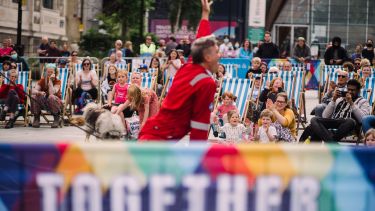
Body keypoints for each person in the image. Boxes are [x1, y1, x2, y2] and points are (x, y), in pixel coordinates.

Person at [139, 0, 218, 141]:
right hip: (159, 141)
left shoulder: (189, 66)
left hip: (152, 132)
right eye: (216, 52)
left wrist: (205, 14)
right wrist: (196, 158)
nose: (220, 55)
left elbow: (201, 39)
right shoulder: (207, 82)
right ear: (206, 56)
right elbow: (200, 125)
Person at [300, 79, 371, 143]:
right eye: (348, 89)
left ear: (358, 91)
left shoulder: (363, 102)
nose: (350, 92)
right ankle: (332, 143)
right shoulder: (340, 99)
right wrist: (333, 100)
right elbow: (325, 116)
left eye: (352, 90)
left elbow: (362, 119)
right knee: (314, 120)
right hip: (334, 121)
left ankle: (326, 143)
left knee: (350, 121)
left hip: (347, 125)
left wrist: (352, 103)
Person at [31, 63, 63, 128]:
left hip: (56, 104)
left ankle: (56, 118)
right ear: (46, 72)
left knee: (51, 97)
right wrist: (39, 92)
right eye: (48, 72)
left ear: (55, 73)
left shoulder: (58, 81)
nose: (50, 73)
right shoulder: (42, 80)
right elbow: (33, 90)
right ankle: (36, 118)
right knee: (34, 96)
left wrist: (50, 81)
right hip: (45, 103)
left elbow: (52, 93)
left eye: (51, 72)